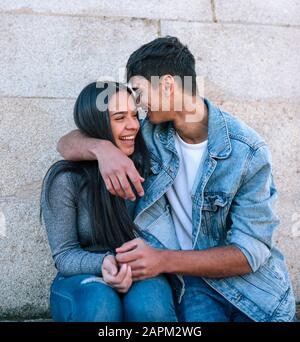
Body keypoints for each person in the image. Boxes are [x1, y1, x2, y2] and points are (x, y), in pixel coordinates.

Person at [57, 36, 296, 322]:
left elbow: (250, 252)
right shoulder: (152, 134)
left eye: (139, 92)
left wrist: (162, 260)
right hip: (194, 286)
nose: (139, 105)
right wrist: (102, 150)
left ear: (168, 86)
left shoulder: (247, 152)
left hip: (256, 291)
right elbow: (67, 143)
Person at [40, 81, 178, 322]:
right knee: (99, 305)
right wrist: (105, 262)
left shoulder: (151, 166)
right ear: (96, 123)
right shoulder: (66, 180)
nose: (133, 125)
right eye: (119, 117)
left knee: (149, 308)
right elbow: (64, 255)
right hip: (82, 276)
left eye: (135, 115)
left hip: (143, 269)